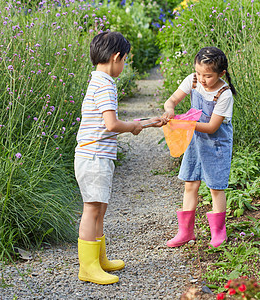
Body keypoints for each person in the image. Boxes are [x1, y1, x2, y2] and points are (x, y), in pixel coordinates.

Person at [74, 31, 165, 285]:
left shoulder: (100, 81)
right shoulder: (105, 85)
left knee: (99, 208)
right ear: (116, 57)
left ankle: (99, 259)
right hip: (93, 157)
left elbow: (110, 124)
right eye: (125, 60)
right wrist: (135, 127)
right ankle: (88, 267)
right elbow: (112, 124)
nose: (124, 65)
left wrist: (144, 123)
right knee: (92, 209)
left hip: (95, 155)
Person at [162, 46, 237, 249]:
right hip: (195, 142)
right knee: (190, 183)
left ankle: (219, 232)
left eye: (208, 76)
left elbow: (212, 127)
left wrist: (185, 123)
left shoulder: (224, 94)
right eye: (199, 73)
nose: (202, 79)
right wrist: (170, 111)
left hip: (216, 144)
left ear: (221, 73)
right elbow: (172, 100)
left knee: (215, 187)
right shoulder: (192, 80)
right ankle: (185, 232)